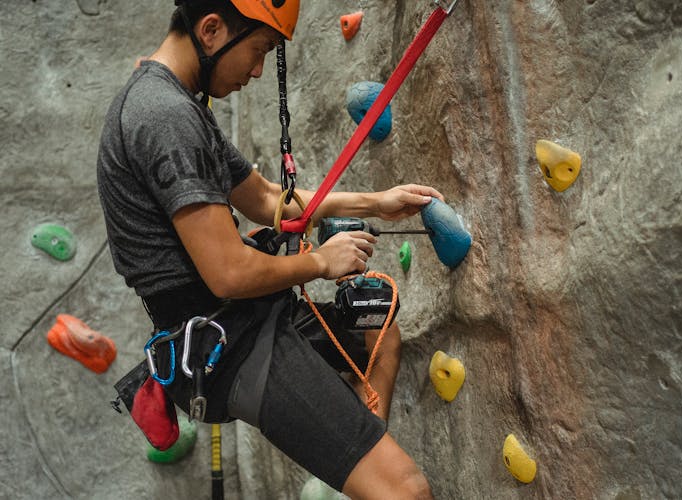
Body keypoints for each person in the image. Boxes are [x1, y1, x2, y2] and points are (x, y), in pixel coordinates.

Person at [97, 1, 441, 498]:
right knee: (409, 491)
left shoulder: (177, 105)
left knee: (378, 336)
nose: (257, 71)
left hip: (244, 320)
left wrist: (376, 202)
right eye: (258, 51)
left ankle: (366, 473)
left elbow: (261, 199)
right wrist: (322, 262)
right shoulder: (165, 116)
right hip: (231, 347)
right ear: (211, 30)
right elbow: (229, 273)